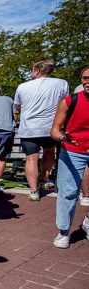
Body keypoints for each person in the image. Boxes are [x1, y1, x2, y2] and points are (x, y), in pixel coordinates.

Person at [14, 60, 70, 201]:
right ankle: (45, 179)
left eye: (32, 71)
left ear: (37, 71)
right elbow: (66, 103)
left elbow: (18, 107)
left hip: (29, 128)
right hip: (51, 127)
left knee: (31, 158)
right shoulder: (62, 83)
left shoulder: (22, 86)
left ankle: (34, 191)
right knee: (49, 151)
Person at [51, 66, 89, 248]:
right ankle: (64, 231)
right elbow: (54, 129)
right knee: (68, 192)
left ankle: (87, 221)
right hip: (73, 150)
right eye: (85, 78)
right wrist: (62, 137)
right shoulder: (69, 101)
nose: (88, 82)